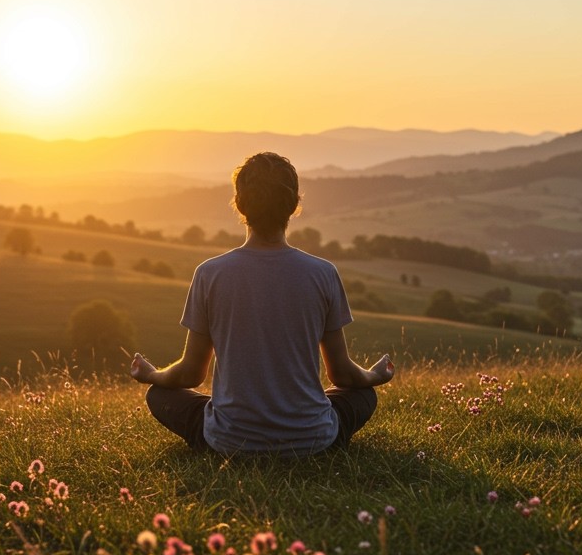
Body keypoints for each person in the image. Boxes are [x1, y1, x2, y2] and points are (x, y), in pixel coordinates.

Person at [129, 152, 394, 455]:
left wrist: (151, 375)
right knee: (364, 396)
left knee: (159, 395)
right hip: (313, 440)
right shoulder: (323, 273)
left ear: (240, 204)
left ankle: (229, 431)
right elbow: (343, 376)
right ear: (294, 205)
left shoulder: (209, 274)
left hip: (230, 442)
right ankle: (307, 426)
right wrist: (375, 376)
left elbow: (190, 375)